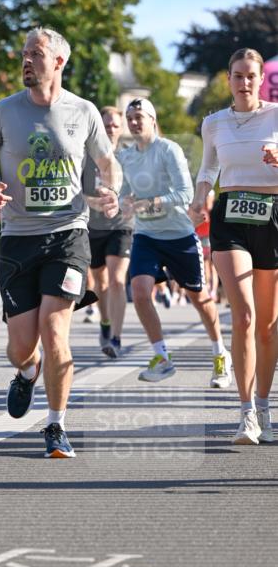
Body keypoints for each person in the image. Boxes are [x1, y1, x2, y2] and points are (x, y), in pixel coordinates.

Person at [0, 26, 121, 459]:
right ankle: (28, 371)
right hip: (18, 236)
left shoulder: (84, 111)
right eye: (24, 53)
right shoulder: (6, 110)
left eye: (36, 53)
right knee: (21, 345)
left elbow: (107, 161)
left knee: (55, 328)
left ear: (59, 62)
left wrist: (110, 189)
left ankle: (55, 425)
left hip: (69, 234)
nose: (26, 60)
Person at [191, 48, 278, 445]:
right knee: (242, 316)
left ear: (261, 79)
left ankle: (263, 402)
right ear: (228, 79)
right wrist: (200, 194)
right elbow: (208, 167)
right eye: (237, 76)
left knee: (267, 325)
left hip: (272, 215)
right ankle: (246, 415)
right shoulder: (213, 123)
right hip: (231, 217)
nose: (244, 83)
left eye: (250, 76)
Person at [119, 97, 230, 386]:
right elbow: (125, 191)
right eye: (129, 117)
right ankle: (162, 357)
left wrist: (150, 202)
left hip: (179, 235)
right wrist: (123, 203)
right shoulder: (127, 155)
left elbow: (183, 193)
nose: (133, 121)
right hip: (146, 234)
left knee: (200, 298)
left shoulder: (168, 149)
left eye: (139, 116)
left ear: (153, 120)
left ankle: (220, 353)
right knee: (140, 291)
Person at [83, 105, 133, 358]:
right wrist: (92, 201)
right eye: (106, 125)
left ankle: (116, 336)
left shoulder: (129, 157)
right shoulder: (86, 156)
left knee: (117, 280)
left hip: (121, 226)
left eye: (115, 125)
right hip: (93, 226)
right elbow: (76, 190)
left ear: (120, 127)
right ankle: (104, 321)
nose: (111, 129)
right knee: (100, 282)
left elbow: (140, 190)